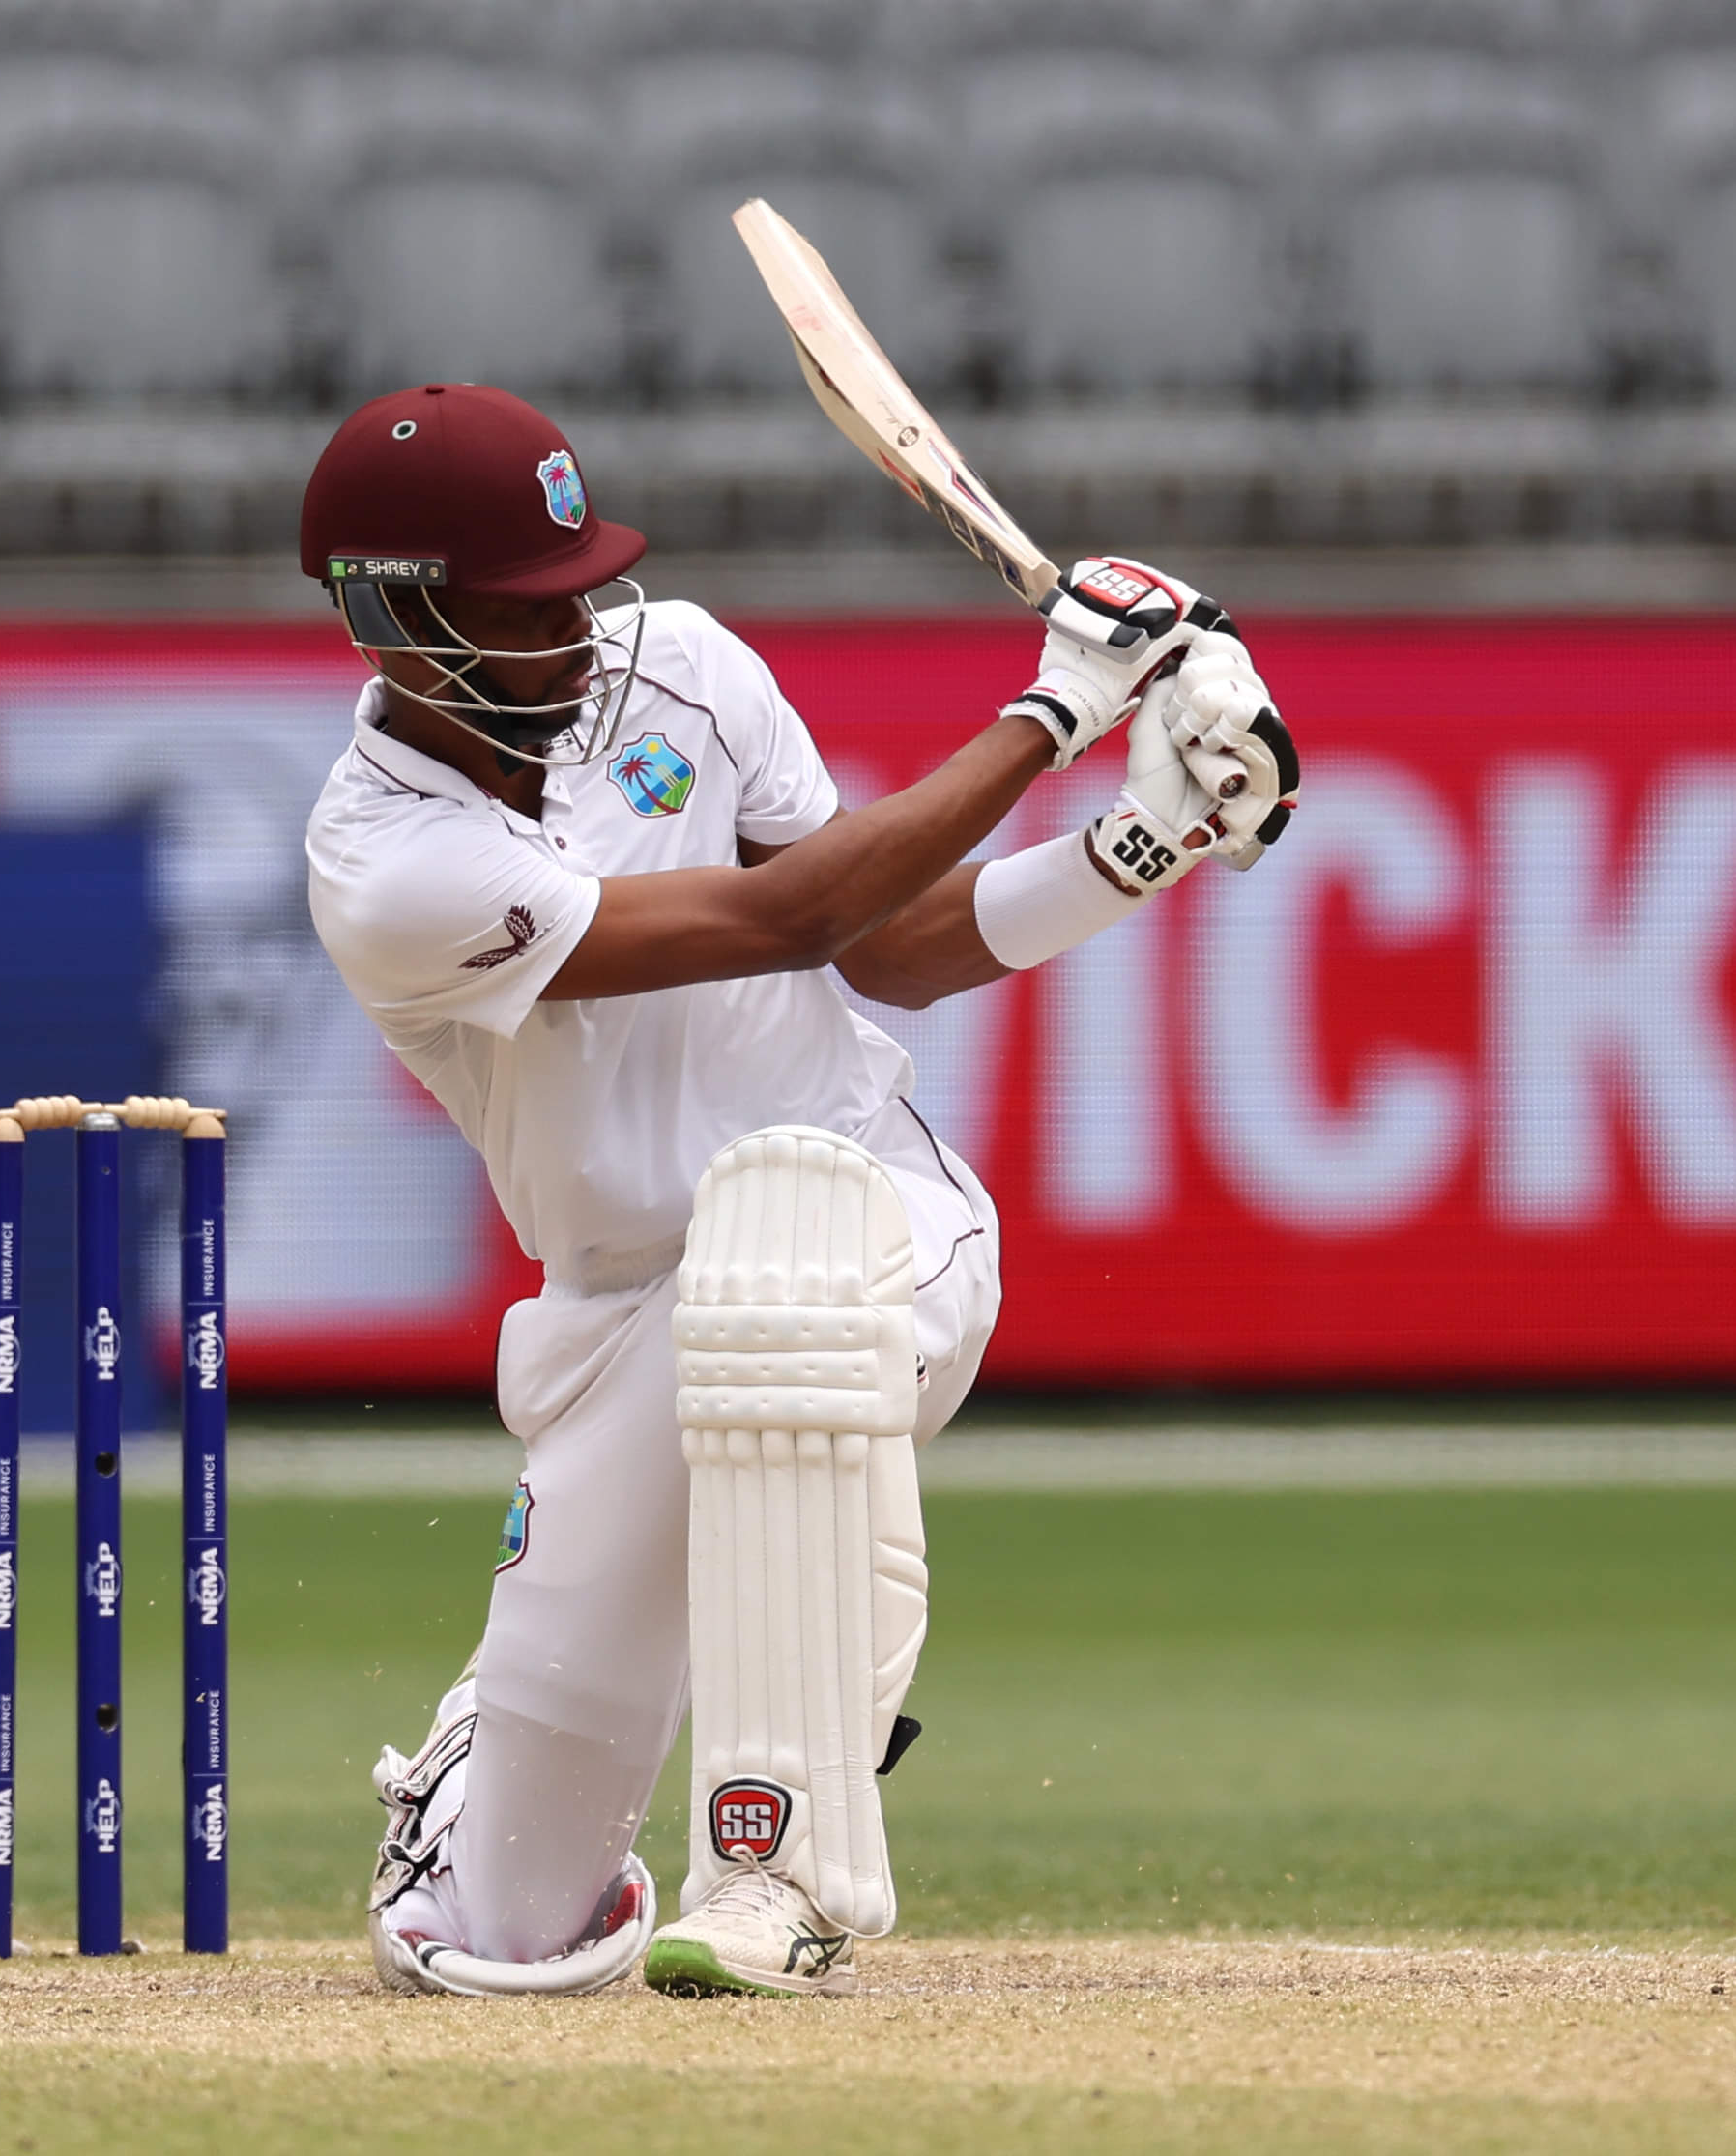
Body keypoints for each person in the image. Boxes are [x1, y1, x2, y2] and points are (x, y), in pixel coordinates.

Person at [299, 383, 1295, 1998]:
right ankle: (481, 1782)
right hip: (622, 1311)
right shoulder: (387, 867)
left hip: (870, 1212)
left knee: (779, 1323)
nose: (582, 633)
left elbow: (883, 946)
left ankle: (782, 1871)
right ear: (396, 620)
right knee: (500, 1939)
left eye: (581, 588)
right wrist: (1055, 714)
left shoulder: (683, 666)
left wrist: (1143, 845)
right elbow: (776, 924)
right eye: (525, 608)